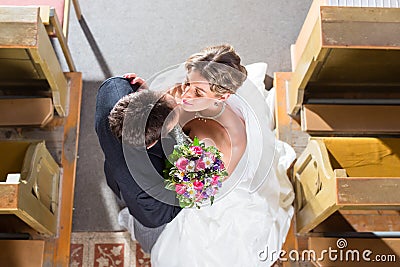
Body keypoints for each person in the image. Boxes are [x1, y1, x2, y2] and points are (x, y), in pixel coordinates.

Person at [150, 44, 296, 266]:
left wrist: (187, 180)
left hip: (225, 188)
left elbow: (215, 185)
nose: (187, 93)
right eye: (188, 83)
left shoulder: (233, 141)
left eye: (198, 92)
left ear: (224, 96)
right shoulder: (195, 90)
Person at [95, 76, 181, 253]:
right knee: (154, 240)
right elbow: (160, 217)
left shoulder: (113, 89)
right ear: (150, 143)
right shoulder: (146, 190)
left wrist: (143, 89)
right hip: (141, 204)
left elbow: (123, 83)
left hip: (112, 170)